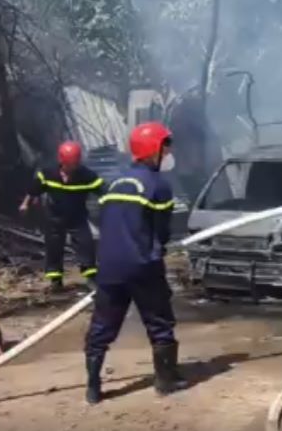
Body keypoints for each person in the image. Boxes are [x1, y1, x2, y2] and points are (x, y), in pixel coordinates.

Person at [84, 122, 187, 404]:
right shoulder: (158, 185)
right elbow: (162, 230)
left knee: (102, 327)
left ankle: (93, 388)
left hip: (108, 266)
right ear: (153, 149)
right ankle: (166, 381)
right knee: (159, 321)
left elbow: (107, 220)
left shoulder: (116, 183)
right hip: (142, 265)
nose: (168, 152)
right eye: (165, 146)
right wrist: (158, 248)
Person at [20, 141, 103, 292]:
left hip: (78, 218)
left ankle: (91, 278)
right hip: (54, 218)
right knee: (54, 248)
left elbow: (103, 192)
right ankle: (56, 281)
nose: (72, 168)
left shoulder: (87, 176)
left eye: (74, 164)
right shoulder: (48, 174)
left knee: (86, 246)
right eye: (69, 164)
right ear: (61, 161)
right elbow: (34, 190)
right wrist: (25, 204)